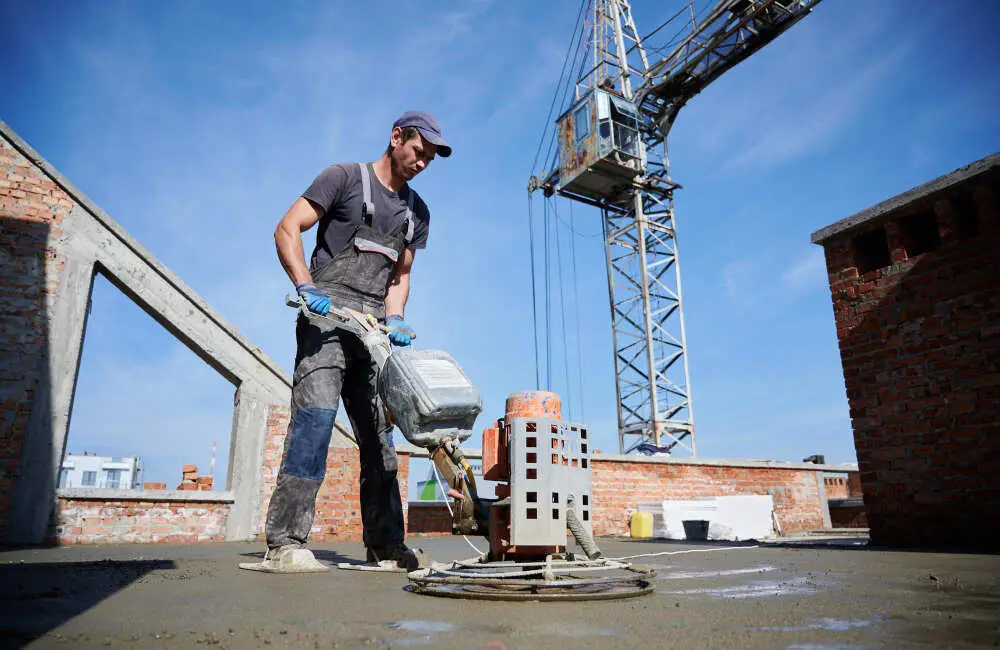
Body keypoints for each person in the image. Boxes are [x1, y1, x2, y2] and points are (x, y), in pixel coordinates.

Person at [263, 111, 450, 573]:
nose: (422, 162)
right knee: (316, 422)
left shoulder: (416, 214)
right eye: (418, 151)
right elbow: (287, 228)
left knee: (380, 439)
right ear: (395, 138)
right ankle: (284, 544)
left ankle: (385, 546)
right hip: (326, 322)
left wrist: (396, 318)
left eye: (430, 158)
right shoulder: (343, 178)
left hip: (372, 336)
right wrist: (307, 286)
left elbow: (400, 276)